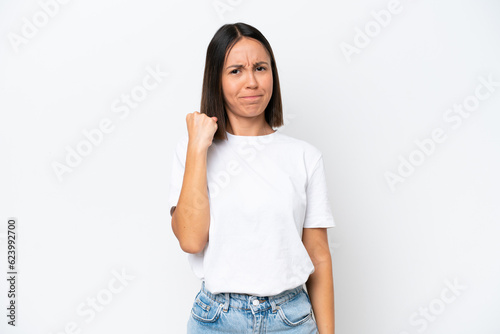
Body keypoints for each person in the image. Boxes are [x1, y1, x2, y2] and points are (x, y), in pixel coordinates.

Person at [168, 22, 336, 333]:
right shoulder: (193, 151)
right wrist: (197, 149)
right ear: (216, 80)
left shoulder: (304, 157)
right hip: (216, 320)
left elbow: (319, 256)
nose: (252, 82)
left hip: (291, 319)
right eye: (236, 71)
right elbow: (191, 240)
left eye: (260, 68)